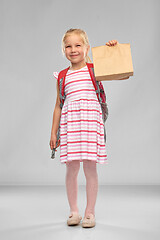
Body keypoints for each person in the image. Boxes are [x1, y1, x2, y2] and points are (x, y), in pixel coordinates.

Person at [49, 28, 118, 228]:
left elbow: (121, 73)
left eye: (78, 45)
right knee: (71, 169)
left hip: (89, 124)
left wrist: (112, 50)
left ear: (87, 48)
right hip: (71, 125)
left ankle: (89, 213)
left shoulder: (95, 70)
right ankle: (74, 211)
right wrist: (53, 132)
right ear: (64, 50)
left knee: (90, 168)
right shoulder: (62, 76)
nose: (73, 49)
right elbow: (58, 105)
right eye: (68, 46)